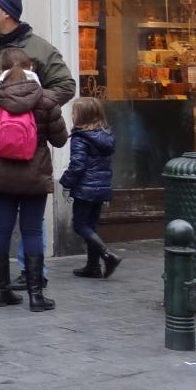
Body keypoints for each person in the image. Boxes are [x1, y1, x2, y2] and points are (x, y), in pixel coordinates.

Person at [0, 0, 76, 285]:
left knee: (30, 217)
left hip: (31, 145)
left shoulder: (39, 48)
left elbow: (66, 85)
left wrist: (34, 105)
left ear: (7, 12)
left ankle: (32, 273)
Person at [0, 47, 68, 311]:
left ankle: (2, 292)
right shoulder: (46, 99)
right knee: (32, 230)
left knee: (1, 230)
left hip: (1, 175)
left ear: (1, 70)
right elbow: (60, 140)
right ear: (31, 68)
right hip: (34, 176)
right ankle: (36, 296)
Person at [59, 97, 122, 279]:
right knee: (91, 226)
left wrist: (66, 182)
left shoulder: (80, 138)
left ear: (82, 116)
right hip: (101, 188)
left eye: (74, 112)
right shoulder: (105, 135)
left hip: (85, 189)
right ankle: (93, 266)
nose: (72, 115)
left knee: (80, 225)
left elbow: (77, 166)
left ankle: (107, 256)